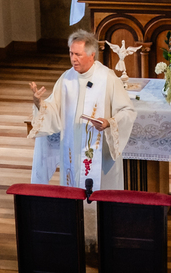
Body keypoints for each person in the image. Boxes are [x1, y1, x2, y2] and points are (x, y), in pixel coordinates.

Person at [28, 29, 136, 192]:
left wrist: (109, 123)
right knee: (73, 190)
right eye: (71, 53)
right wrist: (39, 103)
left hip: (99, 151)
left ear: (92, 55)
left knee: (99, 194)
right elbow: (53, 110)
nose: (73, 59)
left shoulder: (108, 78)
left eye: (78, 54)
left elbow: (127, 111)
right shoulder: (66, 78)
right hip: (72, 148)